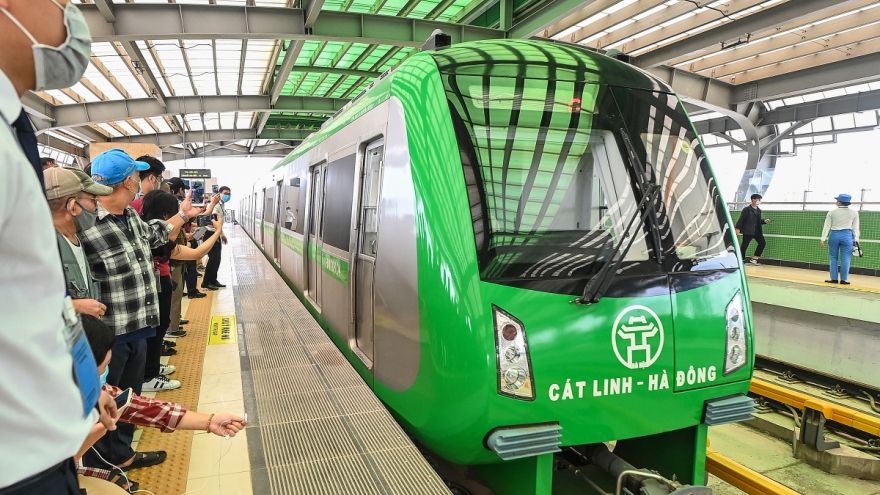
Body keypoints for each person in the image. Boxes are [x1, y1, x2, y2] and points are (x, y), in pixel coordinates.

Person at [1, 1, 119, 493]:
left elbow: (32, 297)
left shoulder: (11, 130)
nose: (71, 12)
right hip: (18, 462)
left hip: (41, 443)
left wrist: (83, 388)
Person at [79, 149, 202, 475]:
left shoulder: (131, 217)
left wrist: (183, 215)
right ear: (126, 182)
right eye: (135, 176)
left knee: (129, 398)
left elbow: (155, 234)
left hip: (140, 325)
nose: (140, 181)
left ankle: (123, 455)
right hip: (111, 332)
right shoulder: (84, 224)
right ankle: (103, 464)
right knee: (107, 401)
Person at [77, 315, 245, 492]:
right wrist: (87, 440)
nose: (105, 373)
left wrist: (210, 421)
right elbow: (59, 470)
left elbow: (143, 408)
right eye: (105, 365)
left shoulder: (96, 392)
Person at [139, 190, 224, 392]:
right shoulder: (157, 244)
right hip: (155, 288)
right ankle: (149, 375)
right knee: (155, 329)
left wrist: (185, 215)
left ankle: (152, 366)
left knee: (159, 327)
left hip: (156, 286)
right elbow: (197, 253)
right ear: (166, 216)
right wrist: (218, 231)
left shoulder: (145, 234)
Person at [45, 167, 111, 318]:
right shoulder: (43, 246)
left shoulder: (74, 238)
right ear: (73, 206)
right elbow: (21, 301)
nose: (97, 207)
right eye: (93, 200)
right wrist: (73, 307)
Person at [821, 193, 861, 285]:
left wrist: (823, 238)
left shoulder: (832, 212)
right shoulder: (854, 213)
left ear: (839, 202)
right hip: (847, 236)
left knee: (833, 257)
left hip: (834, 235)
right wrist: (856, 240)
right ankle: (844, 279)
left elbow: (827, 226)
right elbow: (856, 228)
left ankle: (834, 279)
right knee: (846, 258)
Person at [202, 186, 230, 290]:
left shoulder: (221, 205)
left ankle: (213, 280)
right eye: (225, 193)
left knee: (217, 259)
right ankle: (206, 282)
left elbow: (219, 223)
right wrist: (220, 234)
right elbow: (214, 221)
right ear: (219, 194)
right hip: (211, 234)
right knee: (213, 259)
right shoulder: (215, 206)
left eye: (229, 194)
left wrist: (222, 235)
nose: (227, 195)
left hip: (216, 234)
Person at [735, 193, 771, 266]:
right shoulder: (747, 209)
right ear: (753, 200)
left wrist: (764, 221)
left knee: (762, 243)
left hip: (757, 231)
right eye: (758, 199)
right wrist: (738, 228)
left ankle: (755, 258)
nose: (759, 201)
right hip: (748, 230)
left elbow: (757, 221)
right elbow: (741, 219)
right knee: (745, 245)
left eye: (760, 199)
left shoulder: (758, 210)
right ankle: (741, 260)